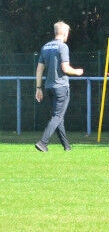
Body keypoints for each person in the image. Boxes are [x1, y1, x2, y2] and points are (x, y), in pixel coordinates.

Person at [34, 21, 84, 152]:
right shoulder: (63, 47)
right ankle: (43, 142)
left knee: (58, 117)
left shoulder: (45, 47)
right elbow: (65, 68)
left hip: (48, 87)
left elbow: (39, 69)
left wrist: (38, 88)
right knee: (57, 116)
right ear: (65, 33)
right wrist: (77, 71)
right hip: (61, 86)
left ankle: (66, 146)